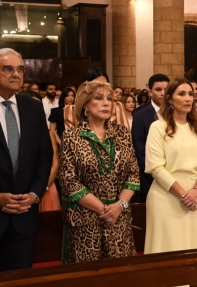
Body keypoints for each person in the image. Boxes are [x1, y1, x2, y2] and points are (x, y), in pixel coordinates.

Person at [58, 80, 140, 263]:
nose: (106, 103)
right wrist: (104, 210)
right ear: (86, 104)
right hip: (84, 221)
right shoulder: (72, 136)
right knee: (88, 277)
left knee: (118, 275)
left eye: (109, 99)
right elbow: (68, 181)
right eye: (98, 98)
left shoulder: (123, 134)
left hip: (118, 218)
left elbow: (133, 174)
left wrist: (119, 206)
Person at [0, 48, 52, 272]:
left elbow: (45, 156)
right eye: (8, 69)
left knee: (19, 279)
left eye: (20, 70)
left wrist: (35, 194)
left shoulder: (33, 108)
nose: (16, 74)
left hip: (24, 215)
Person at [144, 78, 197, 255]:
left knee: (196, 248)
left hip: (196, 195)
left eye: (190, 94)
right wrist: (184, 194)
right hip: (166, 195)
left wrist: (196, 190)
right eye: (181, 94)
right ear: (169, 99)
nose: (188, 98)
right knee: (169, 248)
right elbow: (156, 167)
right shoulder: (158, 127)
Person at [132, 73, 170, 202]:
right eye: (158, 89)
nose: (163, 93)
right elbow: (140, 149)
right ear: (150, 92)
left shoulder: (176, 112)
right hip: (150, 176)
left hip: (174, 174)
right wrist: (158, 175)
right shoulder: (140, 114)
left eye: (166, 89)